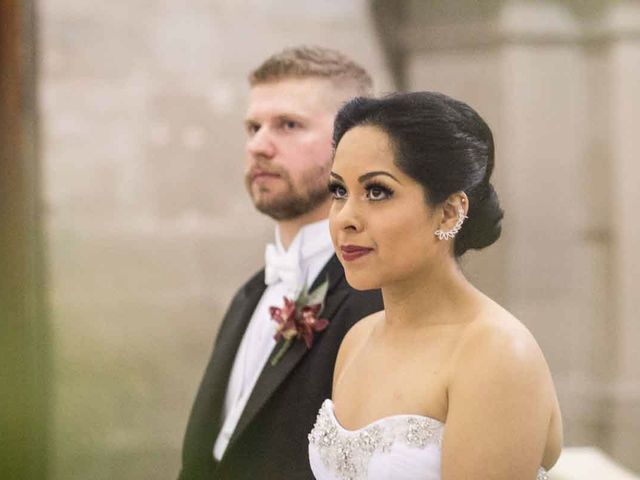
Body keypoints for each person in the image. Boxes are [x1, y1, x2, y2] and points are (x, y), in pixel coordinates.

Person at [308, 92, 563, 480]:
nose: (346, 218)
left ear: (448, 212)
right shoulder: (358, 340)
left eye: (377, 191)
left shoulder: (497, 352)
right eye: (340, 191)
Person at [178, 46, 384, 480]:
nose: (258, 146)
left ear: (353, 143)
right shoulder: (252, 293)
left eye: (288, 125)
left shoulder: (377, 299)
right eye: (253, 127)